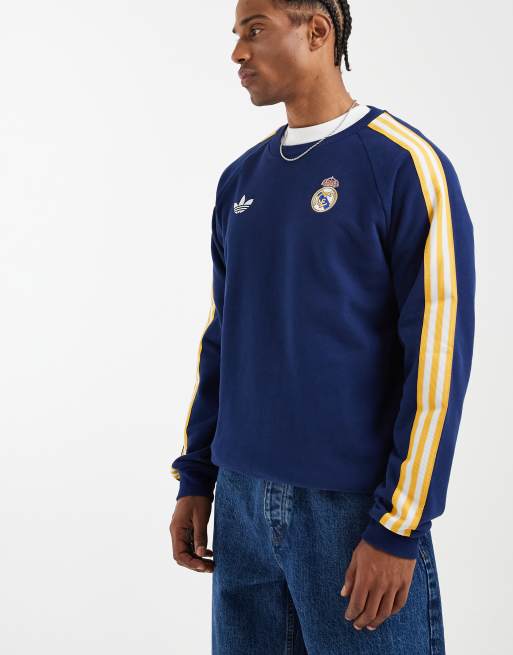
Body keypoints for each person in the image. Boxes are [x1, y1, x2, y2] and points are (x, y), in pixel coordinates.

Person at [169, 1, 475, 653]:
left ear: (316, 31)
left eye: (254, 30)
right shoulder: (240, 181)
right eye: (236, 35)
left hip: (352, 512)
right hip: (241, 503)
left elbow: (436, 358)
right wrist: (197, 476)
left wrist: (398, 526)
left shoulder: (404, 166)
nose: (237, 52)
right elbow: (224, 338)